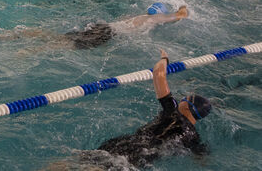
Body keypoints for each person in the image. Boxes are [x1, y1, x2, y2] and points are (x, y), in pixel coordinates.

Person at [82, 49, 211, 168]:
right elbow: (202, 161)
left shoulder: (173, 112)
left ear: (189, 108)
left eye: (184, 100)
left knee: (80, 163)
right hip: (140, 160)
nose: (181, 100)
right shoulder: (194, 138)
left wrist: (164, 59)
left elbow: (158, 74)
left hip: (128, 148)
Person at [0, 4, 189, 50]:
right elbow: (179, 16)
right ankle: (32, 51)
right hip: (106, 34)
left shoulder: (138, 16)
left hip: (104, 27)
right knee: (66, 46)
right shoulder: (152, 19)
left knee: (61, 37)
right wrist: (182, 10)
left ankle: (21, 33)